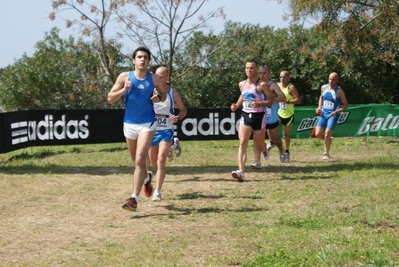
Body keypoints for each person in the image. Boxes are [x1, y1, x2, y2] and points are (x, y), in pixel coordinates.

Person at [107, 46, 167, 212]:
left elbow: (164, 94)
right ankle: (147, 177)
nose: (142, 60)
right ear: (133, 60)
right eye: (139, 57)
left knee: (140, 160)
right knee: (137, 163)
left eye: (145, 57)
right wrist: (123, 89)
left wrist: (158, 98)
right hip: (129, 124)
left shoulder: (154, 78)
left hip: (147, 123)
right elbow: (110, 98)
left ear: (148, 61)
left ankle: (133, 198)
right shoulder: (125, 77)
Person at [230, 60, 275, 181]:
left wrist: (259, 103)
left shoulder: (262, 85)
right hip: (245, 115)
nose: (249, 70)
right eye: (247, 68)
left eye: (252, 68)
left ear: (256, 70)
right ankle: (241, 172)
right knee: (242, 142)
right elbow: (243, 95)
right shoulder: (242, 84)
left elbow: (271, 99)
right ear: (245, 70)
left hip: (259, 116)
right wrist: (236, 105)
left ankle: (265, 150)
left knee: (259, 144)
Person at [148, 65, 187, 201]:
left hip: (166, 130)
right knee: (153, 163)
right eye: (157, 75)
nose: (159, 78)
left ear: (167, 77)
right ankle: (173, 145)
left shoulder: (173, 94)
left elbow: (183, 110)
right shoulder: (150, 91)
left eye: (162, 76)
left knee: (161, 161)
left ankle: (157, 191)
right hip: (152, 130)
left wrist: (177, 117)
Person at [251, 66, 286, 169]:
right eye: (260, 73)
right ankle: (257, 161)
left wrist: (270, 100)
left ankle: (281, 150)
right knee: (256, 138)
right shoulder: (256, 84)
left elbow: (283, 97)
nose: (262, 75)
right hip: (259, 115)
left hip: (271, 117)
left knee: (275, 140)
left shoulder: (272, 85)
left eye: (264, 73)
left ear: (269, 74)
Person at [315, 72, 348, 159]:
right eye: (330, 79)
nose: (331, 81)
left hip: (332, 115)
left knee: (327, 133)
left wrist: (337, 111)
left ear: (337, 80)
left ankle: (326, 153)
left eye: (333, 80)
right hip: (323, 113)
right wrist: (319, 107)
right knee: (317, 134)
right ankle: (328, 141)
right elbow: (321, 97)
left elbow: (345, 105)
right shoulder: (323, 87)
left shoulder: (339, 91)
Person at [277, 70, 301, 162]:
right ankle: (273, 145)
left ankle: (286, 151)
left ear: (288, 78)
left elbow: (298, 100)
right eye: (281, 77)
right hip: (279, 113)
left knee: (285, 134)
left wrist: (287, 101)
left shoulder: (291, 87)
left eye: (284, 77)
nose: (282, 79)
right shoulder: (278, 86)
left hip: (288, 115)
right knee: (271, 129)